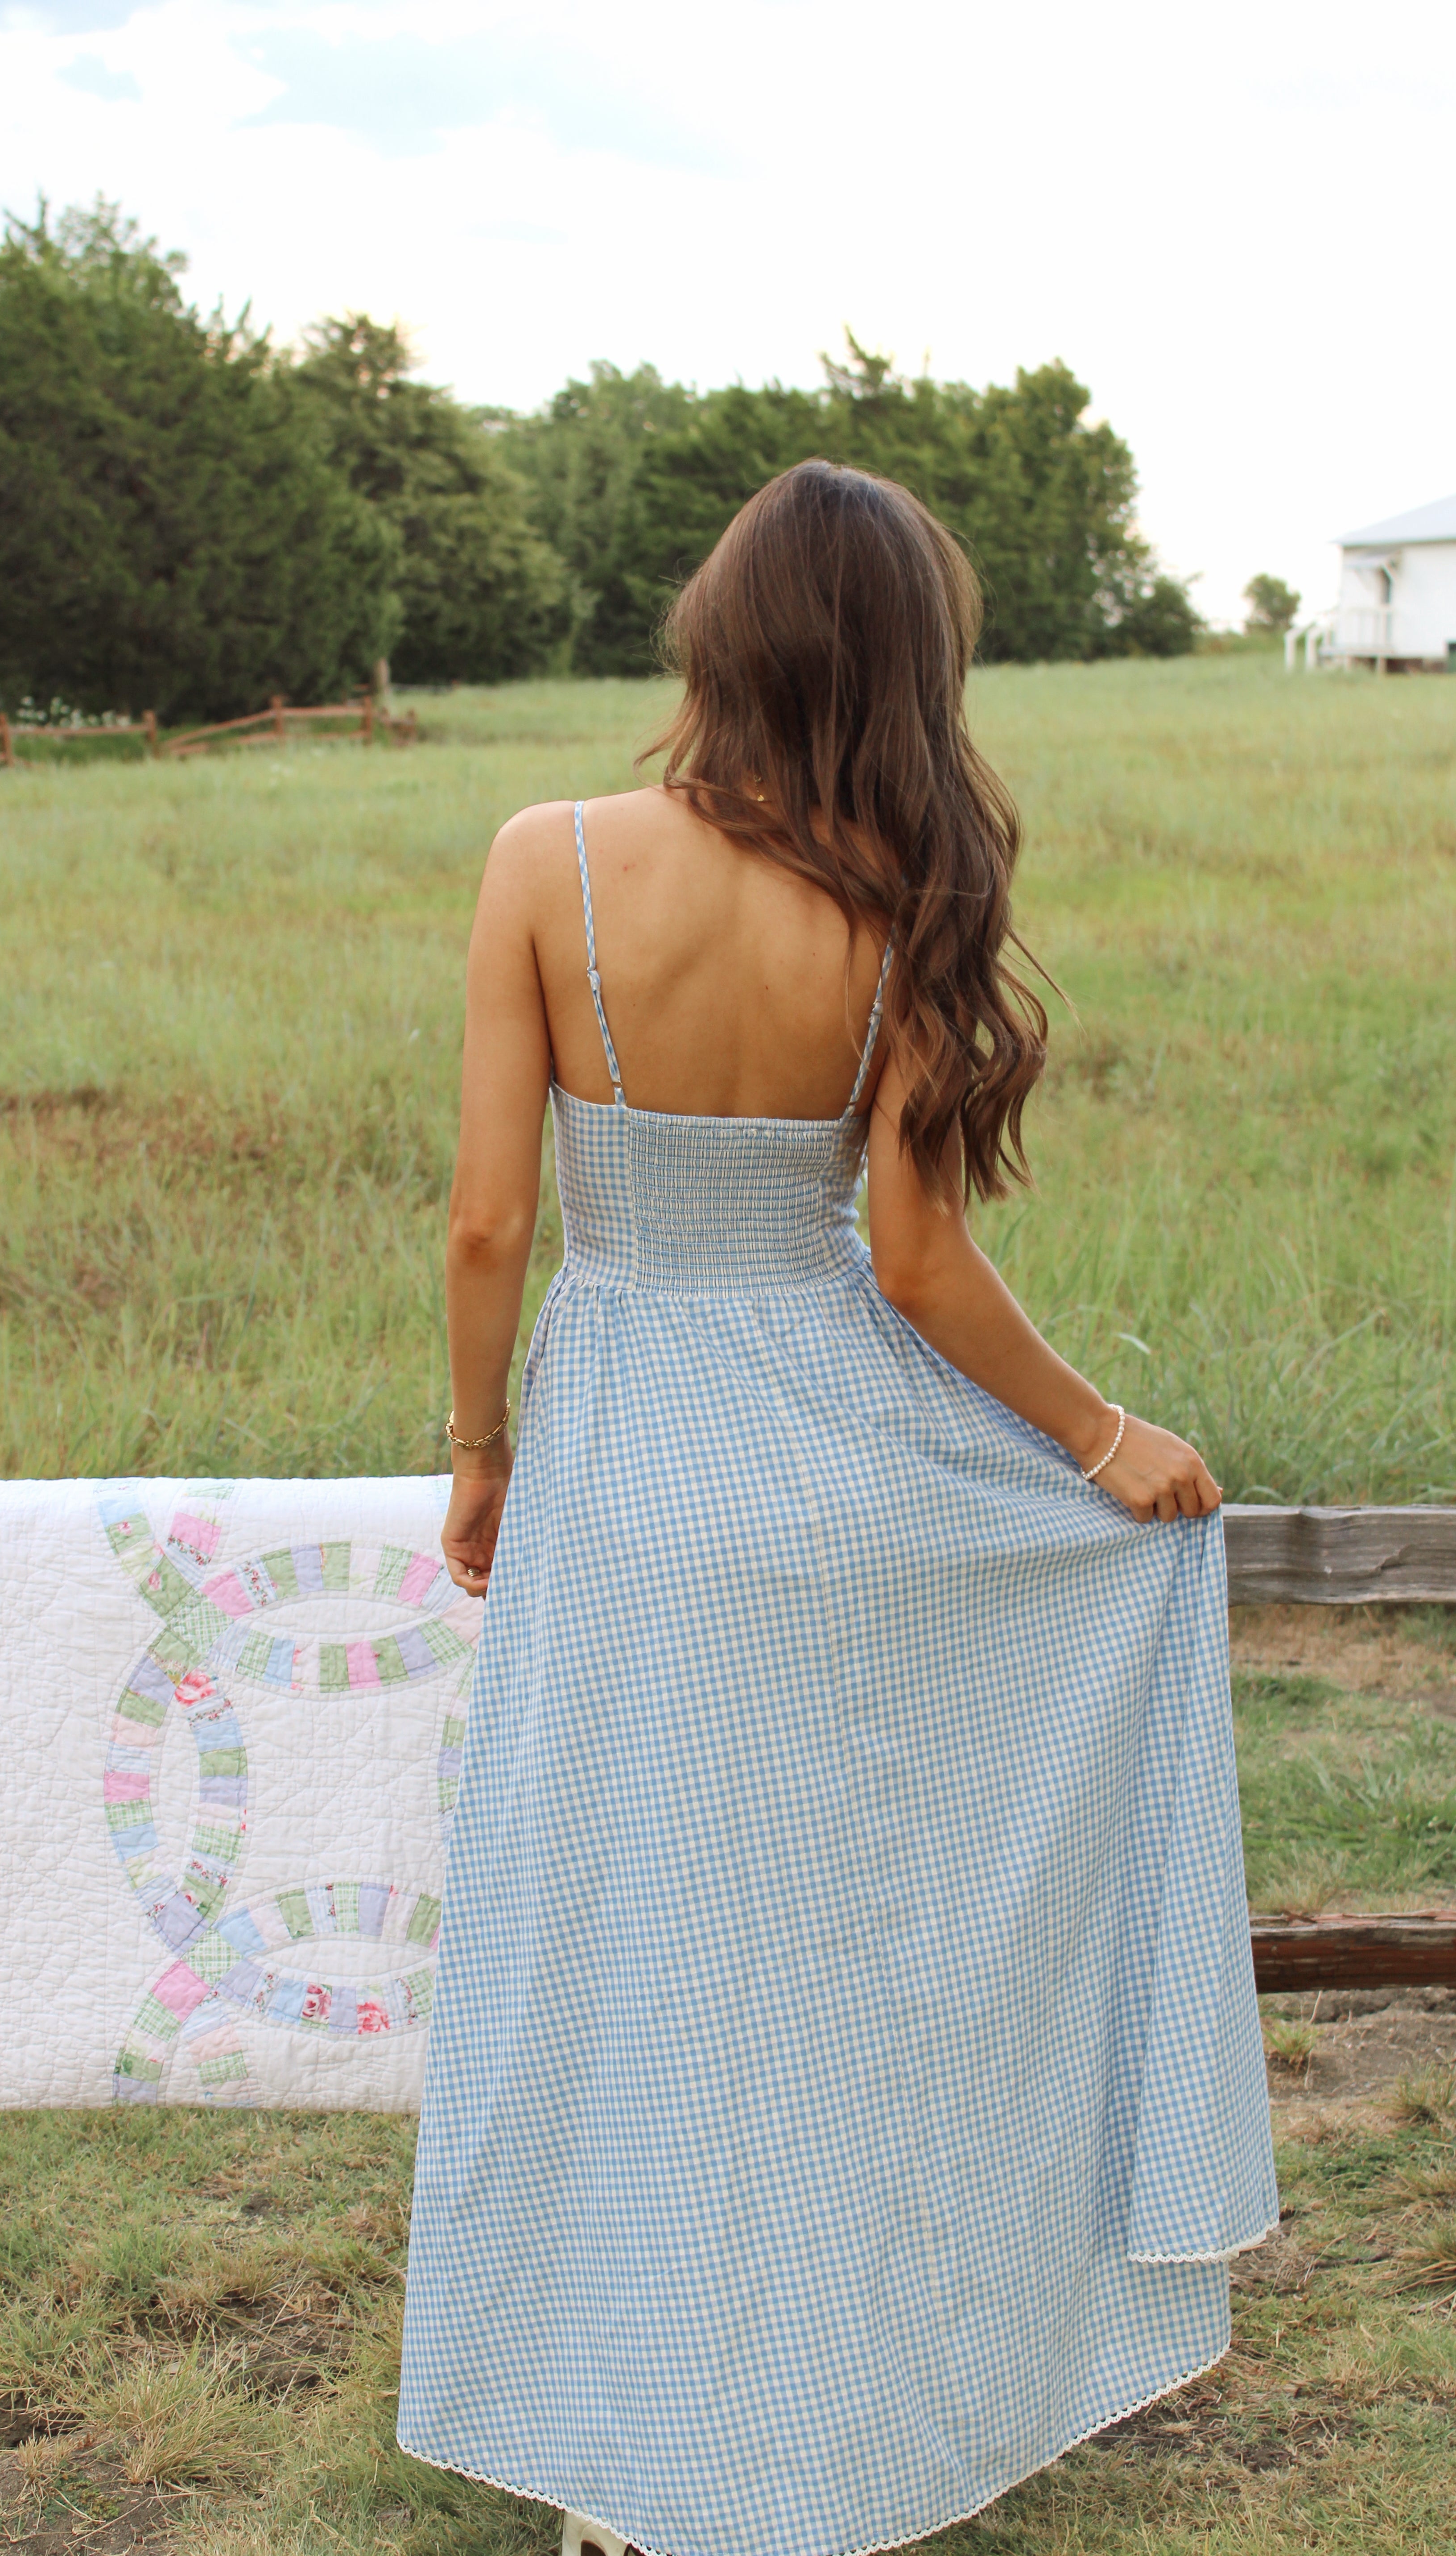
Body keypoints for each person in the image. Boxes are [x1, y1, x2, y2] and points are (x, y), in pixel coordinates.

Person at [397, 461, 1275, 2556]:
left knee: (626, 1956)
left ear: (720, 631)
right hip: (830, 1492)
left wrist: (482, 1447)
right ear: (900, 665)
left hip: (623, 1476)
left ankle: (625, 2455)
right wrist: (1103, 1443)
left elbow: (491, 1221)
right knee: (832, 1964)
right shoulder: (898, 901)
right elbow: (915, 1261)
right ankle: (847, 2416)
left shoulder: (546, 858)